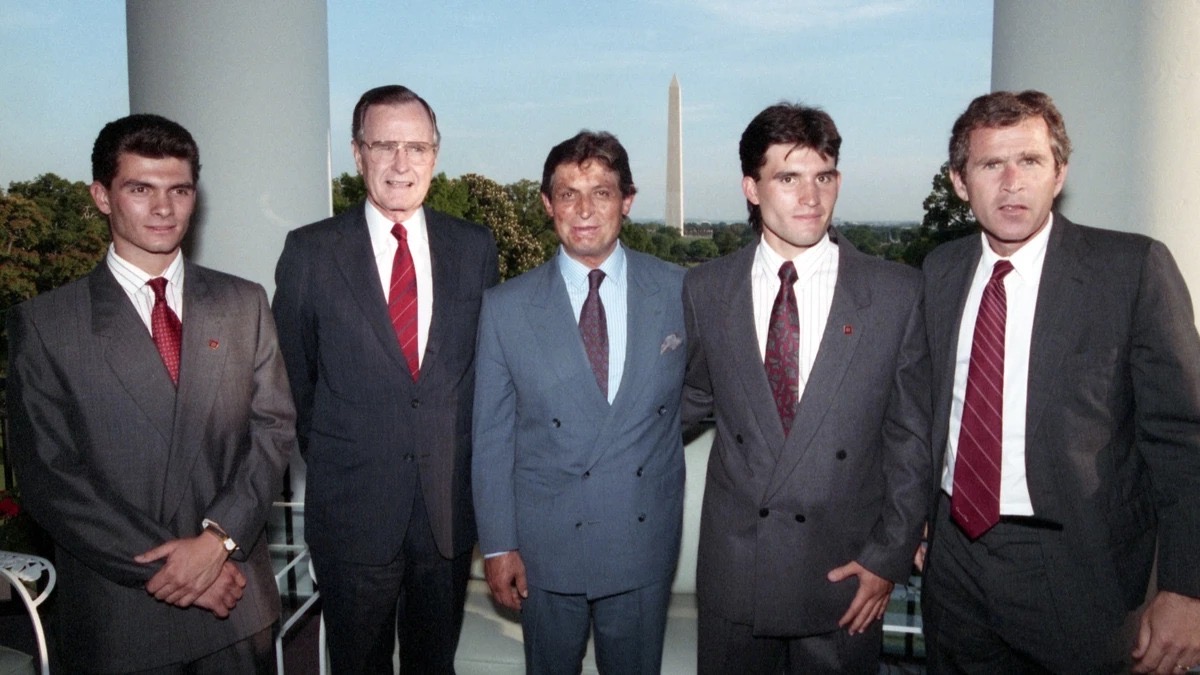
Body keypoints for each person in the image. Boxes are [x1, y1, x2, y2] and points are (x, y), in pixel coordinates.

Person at [921, 90, 1200, 674]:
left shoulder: (1132, 269)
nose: (1012, 182)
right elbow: (923, 415)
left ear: (1060, 172)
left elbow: (1185, 443)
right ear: (959, 181)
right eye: (991, 164)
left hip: (1082, 572)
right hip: (954, 566)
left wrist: (1187, 590)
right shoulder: (939, 271)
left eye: (1031, 161)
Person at [6, 113, 295, 673]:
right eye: (140, 189)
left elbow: (274, 433)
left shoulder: (244, 304)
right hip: (122, 614)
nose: (163, 209)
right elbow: (48, 477)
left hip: (233, 603)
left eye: (179, 190)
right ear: (101, 196)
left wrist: (215, 543)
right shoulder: (47, 324)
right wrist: (173, 571)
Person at [681, 103, 931, 674]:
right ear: (751, 187)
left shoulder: (895, 293)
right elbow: (684, 404)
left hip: (843, 576)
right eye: (788, 178)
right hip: (736, 576)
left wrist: (887, 558)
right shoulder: (706, 290)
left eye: (823, 176)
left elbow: (911, 437)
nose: (810, 196)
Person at [272, 85, 499, 674]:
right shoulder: (310, 254)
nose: (402, 164)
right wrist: (350, 460)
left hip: (447, 513)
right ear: (357, 153)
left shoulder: (474, 248)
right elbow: (295, 384)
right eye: (385, 146)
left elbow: (479, 374)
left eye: (416, 147)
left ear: (435, 154)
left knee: (434, 663)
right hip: (353, 514)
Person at [472, 131, 686, 674]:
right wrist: (497, 546)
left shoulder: (681, 293)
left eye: (602, 192)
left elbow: (704, 394)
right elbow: (491, 438)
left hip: (641, 540)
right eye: (568, 194)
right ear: (548, 205)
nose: (585, 209)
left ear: (628, 201)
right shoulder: (504, 308)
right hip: (545, 551)